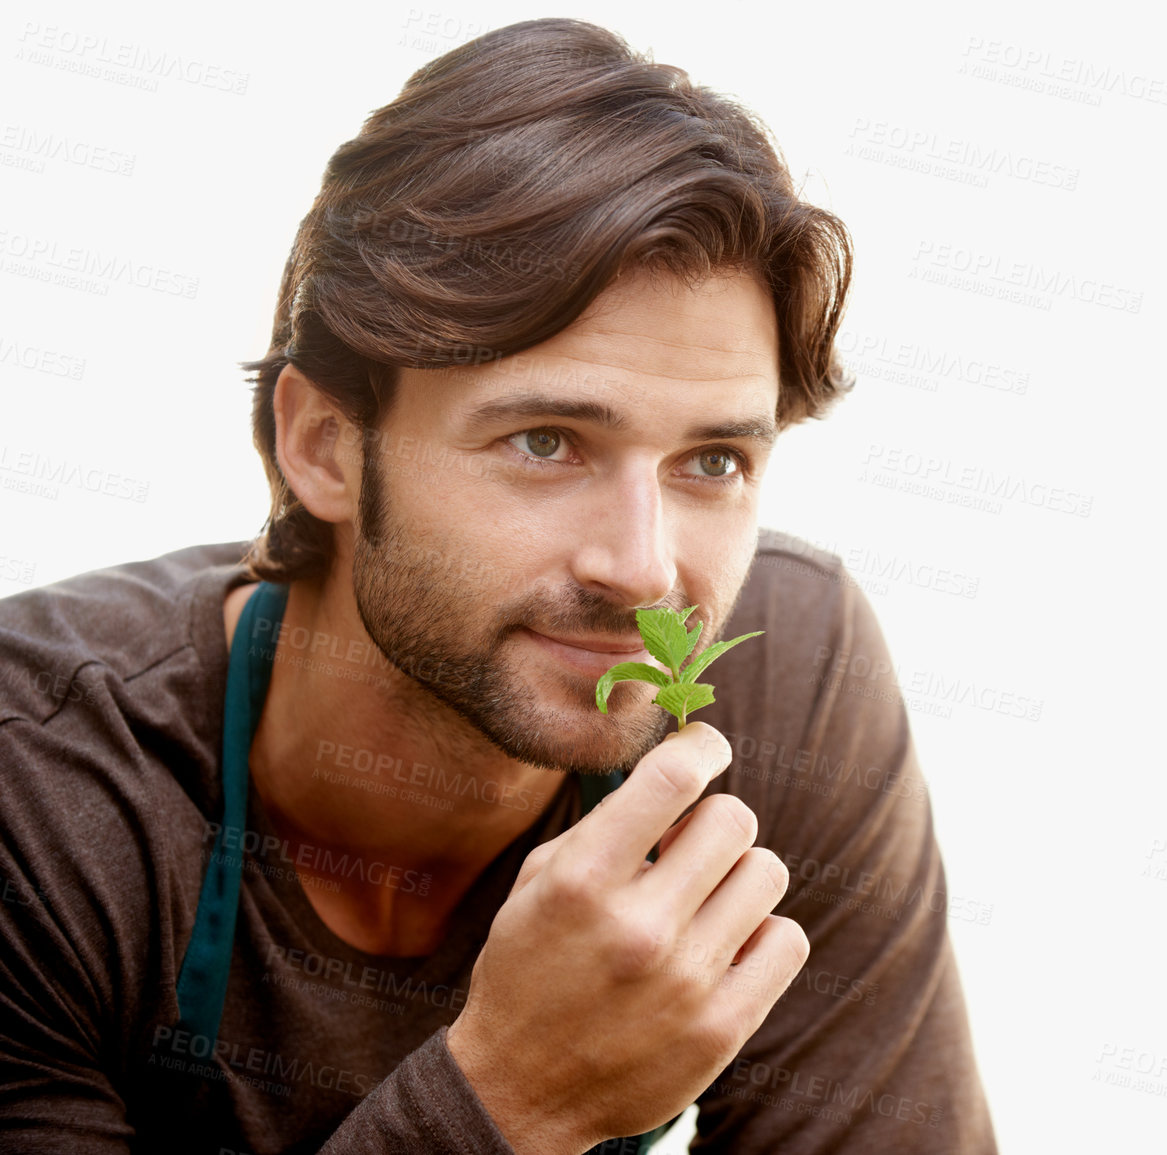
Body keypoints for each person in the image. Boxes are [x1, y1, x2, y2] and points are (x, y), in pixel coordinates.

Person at [0, 18, 996, 1153]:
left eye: (712, 462)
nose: (644, 569)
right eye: (545, 441)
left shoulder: (784, 671)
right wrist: (508, 1102)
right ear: (324, 444)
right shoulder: (37, 795)